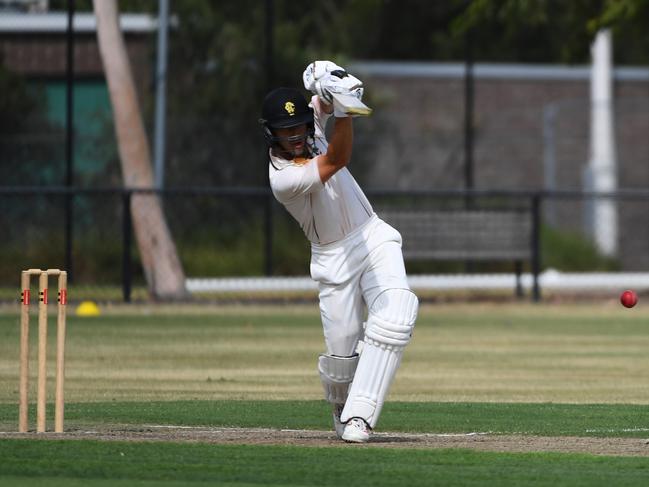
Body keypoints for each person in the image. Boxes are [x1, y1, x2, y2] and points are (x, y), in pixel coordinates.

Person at [259, 61, 419, 443]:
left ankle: (361, 418)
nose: (297, 136)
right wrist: (346, 109)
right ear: (271, 135)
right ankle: (343, 408)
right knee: (342, 364)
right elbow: (336, 160)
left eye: (299, 127)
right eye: (287, 132)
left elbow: (323, 104)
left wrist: (330, 84)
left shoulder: (308, 123)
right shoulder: (282, 178)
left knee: (397, 312)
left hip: (371, 235)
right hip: (333, 259)